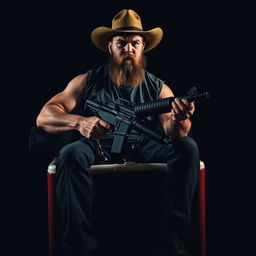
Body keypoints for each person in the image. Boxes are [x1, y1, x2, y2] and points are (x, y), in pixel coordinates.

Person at [36, 9, 199, 256]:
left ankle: (173, 235)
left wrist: (179, 117)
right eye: (121, 43)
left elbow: (175, 132)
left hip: (142, 145)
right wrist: (80, 122)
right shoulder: (87, 80)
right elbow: (44, 116)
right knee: (70, 154)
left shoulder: (158, 87)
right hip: (95, 143)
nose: (128, 48)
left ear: (143, 47)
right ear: (109, 46)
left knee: (188, 148)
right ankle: (78, 245)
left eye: (135, 43)